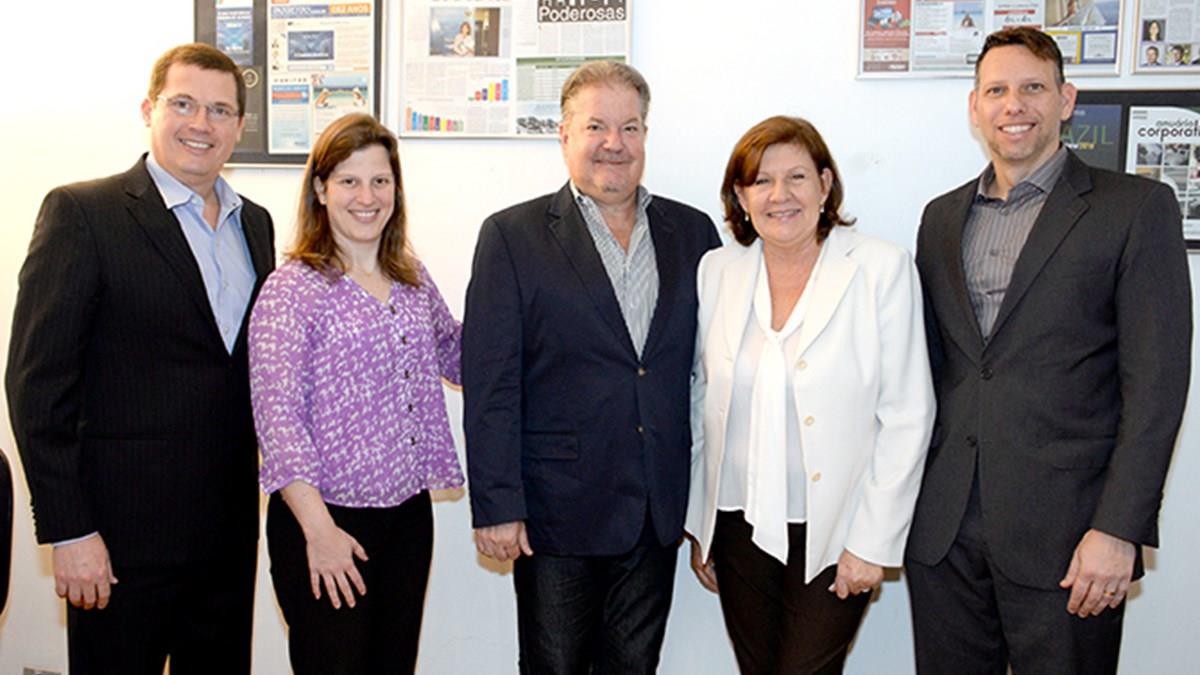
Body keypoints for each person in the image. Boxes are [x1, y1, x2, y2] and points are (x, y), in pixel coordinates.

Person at [906, 27, 1191, 674]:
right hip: (945, 533)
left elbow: (1157, 386)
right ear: (975, 107)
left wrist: (1119, 529)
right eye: (997, 91)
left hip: (1070, 536)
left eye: (1033, 87)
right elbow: (929, 371)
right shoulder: (940, 218)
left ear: (1066, 100)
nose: (1014, 105)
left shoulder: (1135, 208)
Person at [5, 43, 274, 674]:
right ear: (149, 109)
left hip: (226, 538)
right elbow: (37, 385)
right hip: (118, 541)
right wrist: (69, 530)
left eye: (219, 110)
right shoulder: (83, 213)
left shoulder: (256, 225)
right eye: (183, 104)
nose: (201, 124)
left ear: (239, 126)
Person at [463, 60, 720, 672]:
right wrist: (497, 504)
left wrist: (710, 511)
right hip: (556, 513)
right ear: (564, 135)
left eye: (630, 128)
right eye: (596, 126)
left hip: (655, 509)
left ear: (646, 136)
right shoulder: (512, 236)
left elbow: (712, 378)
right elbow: (491, 382)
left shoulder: (693, 234)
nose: (614, 143)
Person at [684, 116, 935, 674]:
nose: (780, 195)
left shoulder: (879, 268)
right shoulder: (717, 271)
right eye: (761, 181)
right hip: (738, 524)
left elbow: (908, 414)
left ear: (825, 185)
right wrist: (702, 527)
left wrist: (871, 542)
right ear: (741, 196)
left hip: (837, 528)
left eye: (796, 177)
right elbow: (702, 402)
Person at [249, 113, 463, 674]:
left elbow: (456, 353)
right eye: (349, 181)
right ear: (321, 190)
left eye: (380, 181)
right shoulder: (291, 289)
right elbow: (277, 420)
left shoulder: (410, 276)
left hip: (407, 517)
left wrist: (525, 316)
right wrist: (318, 532)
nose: (367, 197)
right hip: (326, 519)